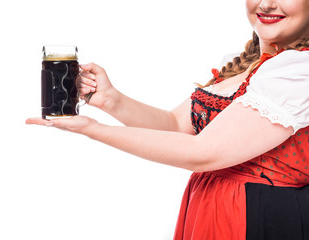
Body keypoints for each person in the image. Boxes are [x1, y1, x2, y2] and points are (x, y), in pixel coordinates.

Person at [26, 0, 309, 239]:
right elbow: (174, 126)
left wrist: (93, 129)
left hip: (259, 217)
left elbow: (202, 153)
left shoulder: (298, 71)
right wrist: (110, 99)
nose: (268, 3)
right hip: (212, 209)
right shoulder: (247, 66)